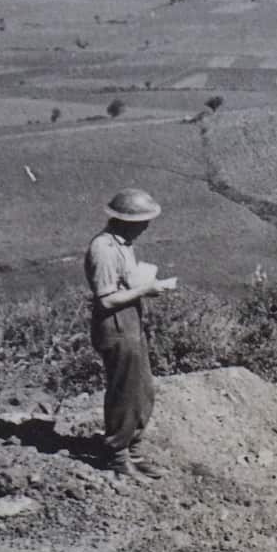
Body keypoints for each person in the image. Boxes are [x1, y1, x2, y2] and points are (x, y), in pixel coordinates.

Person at [83, 188, 177, 480]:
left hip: (130, 321)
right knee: (124, 392)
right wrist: (147, 290)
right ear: (127, 221)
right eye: (143, 221)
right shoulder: (104, 250)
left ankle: (132, 450)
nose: (147, 226)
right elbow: (106, 299)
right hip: (115, 325)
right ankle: (117, 454)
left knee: (141, 390)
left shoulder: (123, 244)